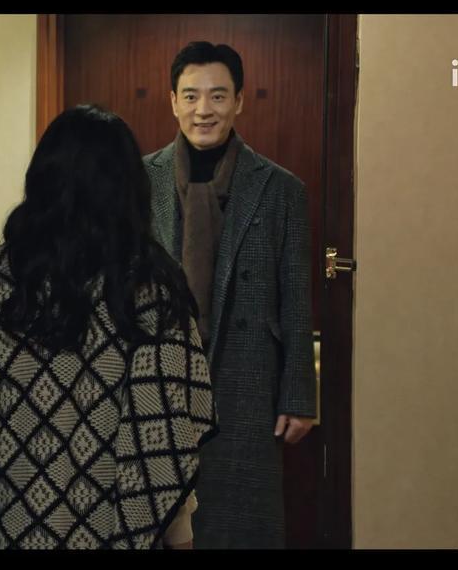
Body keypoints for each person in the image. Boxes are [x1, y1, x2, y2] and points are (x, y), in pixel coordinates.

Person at [0, 104, 216, 549]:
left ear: (43, 179)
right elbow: (167, 448)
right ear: (131, 187)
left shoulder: (5, 278)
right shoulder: (154, 289)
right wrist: (183, 538)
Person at [144, 41, 316, 549]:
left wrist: (299, 396)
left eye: (218, 96)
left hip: (248, 379)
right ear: (172, 101)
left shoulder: (280, 188)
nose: (204, 110)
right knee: (157, 517)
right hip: (157, 378)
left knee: (241, 525)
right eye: (191, 96)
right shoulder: (140, 179)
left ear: (239, 101)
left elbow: (296, 298)